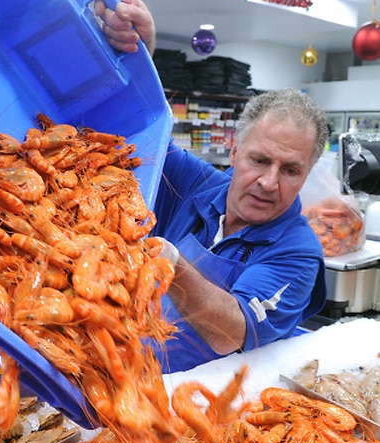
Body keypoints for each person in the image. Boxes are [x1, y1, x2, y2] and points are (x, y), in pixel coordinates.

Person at [96, 0, 329, 373]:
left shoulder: (298, 252)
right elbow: (137, 134)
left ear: (307, 173)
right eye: (259, 160)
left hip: (197, 406)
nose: (269, 183)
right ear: (235, 151)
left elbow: (230, 332)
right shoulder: (196, 183)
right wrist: (138, 56)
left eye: (290, 170)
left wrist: (173, 264)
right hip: (112, 366)